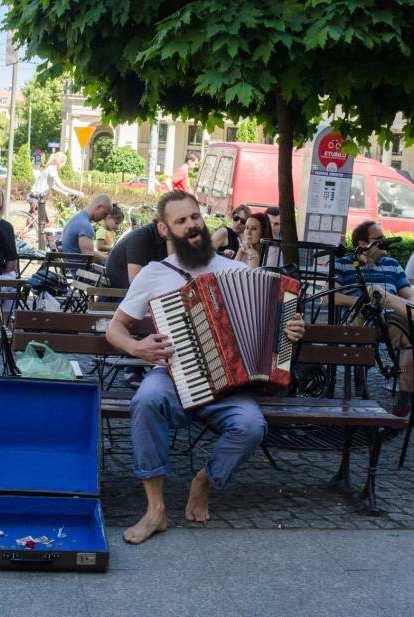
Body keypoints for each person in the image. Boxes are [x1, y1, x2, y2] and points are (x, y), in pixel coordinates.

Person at [106, 190, 305, 544]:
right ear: (164, 229)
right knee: (146, 402)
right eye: (181, 221)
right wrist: (138, 347)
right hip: (172, 376)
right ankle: (156, 509)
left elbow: (276, 326)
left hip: (229, 386)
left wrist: (291, 329)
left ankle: (205, 481)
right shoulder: (153, 275)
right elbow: (114, 329)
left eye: (194, 217)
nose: (192, 226)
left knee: (251, 426)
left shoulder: (236, 270)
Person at [335, 220, 414, 417]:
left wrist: (394, 301)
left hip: (391, 318)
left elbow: (408, 295)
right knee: (365, 321)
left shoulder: (392, 264)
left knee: (410, 340)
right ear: (362, 243)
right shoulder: (344, 263)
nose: (384, 243)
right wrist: (360, 300)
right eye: (379, 240)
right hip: (360, 317)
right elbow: (332, 297)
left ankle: (404, 397)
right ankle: (361, 390)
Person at [106, 219, 169, 288]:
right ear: (162, 227)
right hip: (123, 292)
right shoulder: (140, 237)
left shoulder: (165, 239)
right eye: (180, 223)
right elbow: (136, 283)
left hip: (140, 288)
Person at [61, 194, 112, 262]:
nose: (104, 218)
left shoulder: (78, 218)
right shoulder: (85, 226)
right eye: (105, 214)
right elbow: (89, 257)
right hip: (78, 270)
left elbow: (89, 252)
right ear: (99, 207)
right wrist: (110, 260)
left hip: (71, 266)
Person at [0, 190, 18, 315]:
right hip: (2, 280)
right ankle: (7, 325)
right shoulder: (5, 227)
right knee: (11, 281)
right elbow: (12, 264)